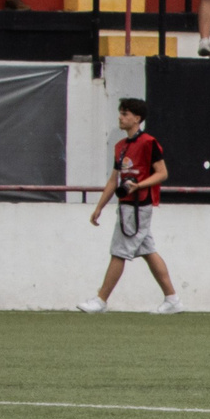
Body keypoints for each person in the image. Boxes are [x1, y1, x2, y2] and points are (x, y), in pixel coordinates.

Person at [79, 97, 178, 313]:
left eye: (125, 114)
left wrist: (138, 186)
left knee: (119, 251)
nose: (120, 117)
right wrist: (99, 207)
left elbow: (162, 173)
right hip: (125, 205)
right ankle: (172, 299)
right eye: (120, 113)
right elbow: (113, 180)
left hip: (138, 205)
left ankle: (101, 300)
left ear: (137, 118)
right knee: (148, 250)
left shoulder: (149, 143)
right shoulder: (120, 147)